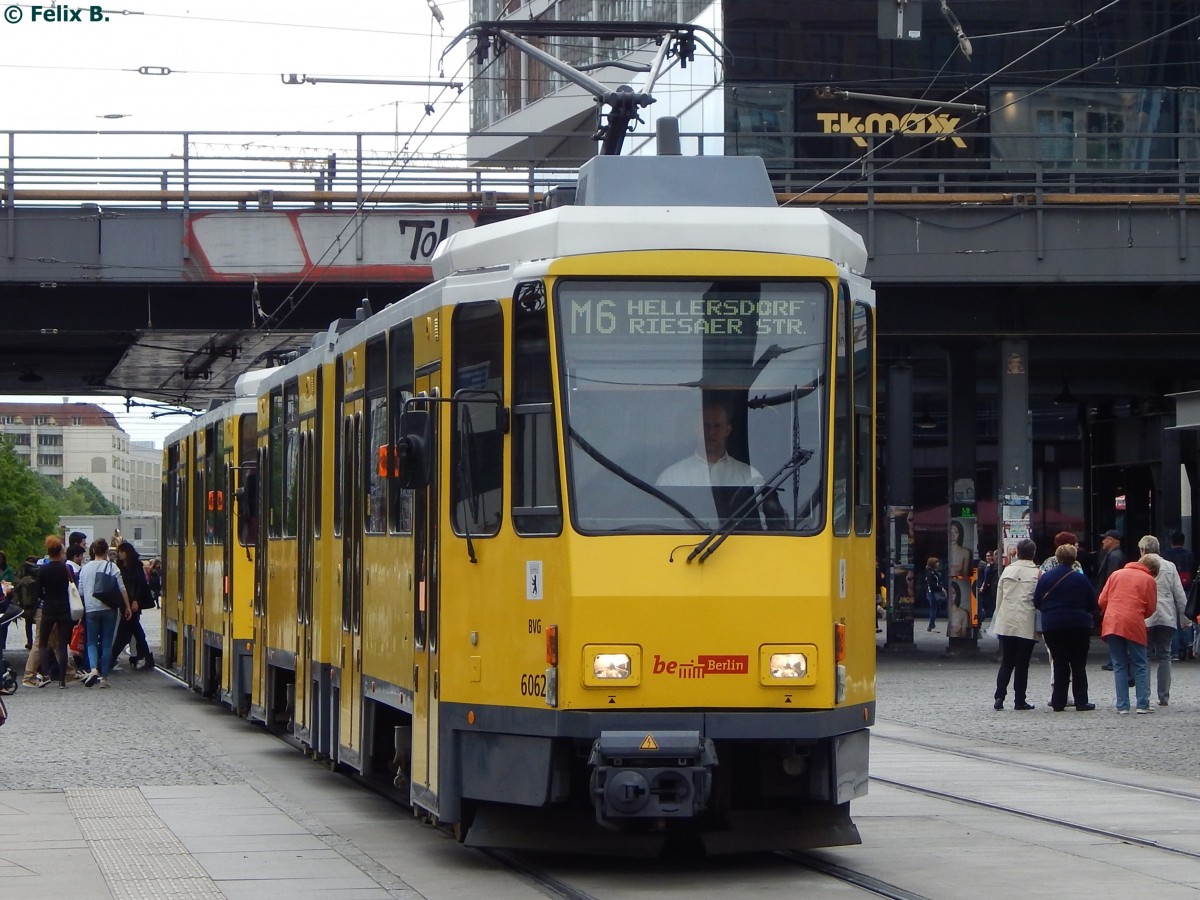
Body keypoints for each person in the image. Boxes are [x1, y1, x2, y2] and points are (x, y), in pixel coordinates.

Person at [1034, 543, 1098, 711]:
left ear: (1057, 558)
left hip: (1053, 625)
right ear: (1074, 558)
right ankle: (1081, 701)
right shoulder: (1080, 578)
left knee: (1059, 662)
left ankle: (1058, 701)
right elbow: (1093, 603)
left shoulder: (1046, 577)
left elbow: (1037, 601)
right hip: (1078, 624)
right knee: (1078, 664)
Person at [656, 399, 765, 488]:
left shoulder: (750, 477)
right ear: (696, 429)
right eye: (706, 426)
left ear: (727, 430)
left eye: (717, 426)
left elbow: (762, 514)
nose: (711, 432)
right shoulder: (672, 478)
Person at [1098, 553, 1158, 714]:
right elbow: (1151, 607)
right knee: (1140, 663)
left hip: (1112, 622)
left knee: (1119, 664)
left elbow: (1102, 601)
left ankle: (1122, 705)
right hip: (1134, 622)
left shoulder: (1116, 574)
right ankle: (1142, 704)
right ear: (1152, 570)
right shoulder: (1148, 580)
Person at [1136, 535, 1187, 706]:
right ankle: (1164, 696)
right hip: (1167, 616)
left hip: (1146, 617)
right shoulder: (1170, 566)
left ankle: (1144, 695)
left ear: (1143, 550)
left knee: (1145, 656)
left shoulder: (1137, 567)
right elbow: (1179, 594)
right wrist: (1184, 617)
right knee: (1165, 656)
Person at [992, 538, 1039, 710]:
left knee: (1007, 661)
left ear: (1017, 552)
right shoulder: (1036, 573)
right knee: (1022, 664)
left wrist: (1000, 615)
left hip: (1007, 620)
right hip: (1026, 621)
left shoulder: (1007, 571)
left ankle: (999, 697)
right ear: (1033, 553)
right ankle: (1020, 699)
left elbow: (999, 598)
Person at [77, 538, 131, 688]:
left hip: (91, 609)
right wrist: (126, 606)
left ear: (93, 551)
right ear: (107, 551)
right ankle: (104, 678)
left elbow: (80, 591)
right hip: (109, 609)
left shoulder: (85, 568)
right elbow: (122, 588)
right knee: (107, 644)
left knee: (91, 642)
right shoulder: (112, 567)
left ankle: (93, 668)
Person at [31, 535, 74, 689]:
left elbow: (37, 592)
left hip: (48, 608)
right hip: (64, 607)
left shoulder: (43, 569)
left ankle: (46, 675)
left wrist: (45, 596)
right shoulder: (66, 568)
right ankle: (62, 680)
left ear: (48, 552)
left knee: (43, 643)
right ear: (60, 552)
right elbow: (73, 586)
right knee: (62, 645)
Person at [111, 541, 154, 671]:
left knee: (125, 633)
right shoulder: (120, 566)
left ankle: (111, 658)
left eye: (121, 552)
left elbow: (138, 584)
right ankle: (145, 656)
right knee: (132, 632)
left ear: (128, 553)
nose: (119, 554)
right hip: (125, 603)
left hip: (132, 603)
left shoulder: (136, 566)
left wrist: (135, 600)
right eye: (118, 552)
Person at [1161, 531, 1195, 660]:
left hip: (1171, 590)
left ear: (1171, 541)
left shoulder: (1167, 555)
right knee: (1186, 618)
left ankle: (1174, 652)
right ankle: (1189, 644)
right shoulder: (1190, 555)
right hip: (1187, 589)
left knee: (1173, 620)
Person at [976, 550, 998, 625]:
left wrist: (983, 585)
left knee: (991, 605)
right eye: (987, 556)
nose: (988, 557)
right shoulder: (987, 565)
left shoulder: (991, 566)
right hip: (985, 586)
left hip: (990, 587)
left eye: (989, 556)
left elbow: (987, 578)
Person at [924, 556, 946, 632]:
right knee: (934, 609)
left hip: (933, 592)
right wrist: (940, 588)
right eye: (936, 562)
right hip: (932, 593)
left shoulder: (934, 572)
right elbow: (932, 584)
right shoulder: (930, 573)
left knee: (937, 609)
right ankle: (931, 625)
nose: (938, 564)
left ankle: (931, 624)